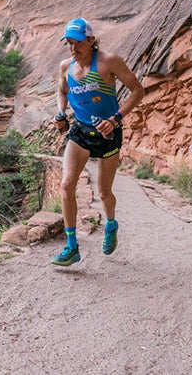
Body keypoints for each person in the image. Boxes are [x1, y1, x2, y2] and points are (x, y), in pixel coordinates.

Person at [50, 18, 144, 266]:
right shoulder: (65, 66)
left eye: (78, 43)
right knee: (67, 184)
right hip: (80, 131)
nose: (73, 48)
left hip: (108, 133)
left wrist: (115, 119)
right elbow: (62, 91)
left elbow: (137, 90)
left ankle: (111, 225)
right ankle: (71, 247)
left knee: (104, 192)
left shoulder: (108, 61)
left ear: (91, 40)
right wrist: (60, 112)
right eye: (69, 43)